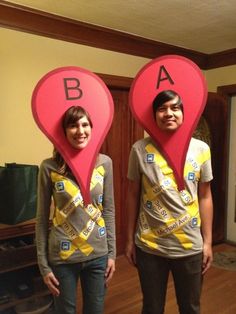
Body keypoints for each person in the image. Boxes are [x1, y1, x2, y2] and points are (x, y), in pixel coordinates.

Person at [125, 90, 213, 314]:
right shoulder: (139, 149)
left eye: (175, 108)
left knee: (190, 308)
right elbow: (133, 195)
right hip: (150, 246)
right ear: (154, 115)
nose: (169, 113)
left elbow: (205, 195)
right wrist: (129, 241)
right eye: (162, 109)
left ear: (184, 113)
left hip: (190, 246)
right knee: (152, 308)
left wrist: (208, 242)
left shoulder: (201, 150)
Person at [36, 106, 116, 314]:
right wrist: (44, 266)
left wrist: (112, 254)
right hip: (62, 257)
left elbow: (108, 210)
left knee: (95, 310)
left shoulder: (104, 163)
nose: (80, 131)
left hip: (98, 255)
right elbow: (42, 219)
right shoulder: (49, 167)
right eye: (73, 125)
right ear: (64, 131)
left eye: (84, 124)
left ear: (92, 128)